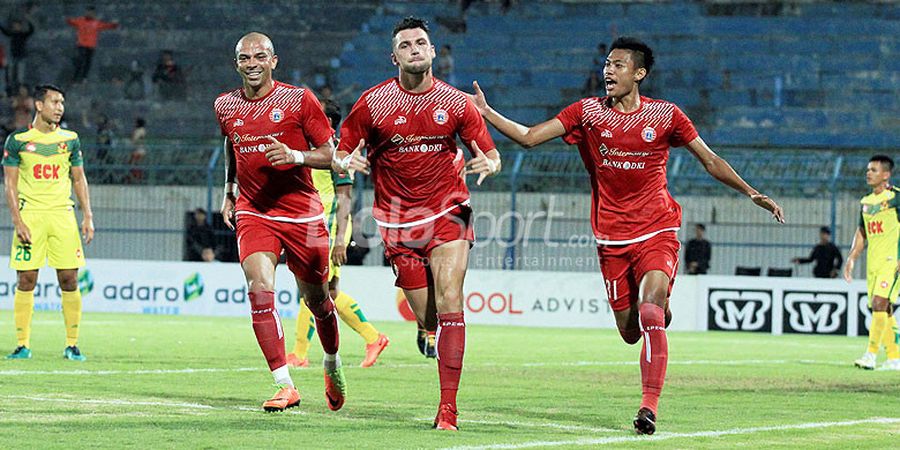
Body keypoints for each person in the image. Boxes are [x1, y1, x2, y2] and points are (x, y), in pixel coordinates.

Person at [467, 36, 784, 434]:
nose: (608, 71)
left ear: (639, 73)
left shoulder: (666, 115)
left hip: (658, 229)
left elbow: (710, 159)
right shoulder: (586, 113)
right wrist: (487, 112)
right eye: (606, 64)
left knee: (650, 307)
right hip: (611, 239)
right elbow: (529, 137)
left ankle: (648, 407)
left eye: (618, 65)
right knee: (631, 331)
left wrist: (751, 191)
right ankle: (658, 310)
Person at [334, 16, 501, 431]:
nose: (414, 49)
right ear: (394, 56)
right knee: (428, 317)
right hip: (396, 222)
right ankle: (426, 331)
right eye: (405, 45)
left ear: (432, 51)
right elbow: (340, 151)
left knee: (450, 302)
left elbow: (490, 153)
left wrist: (490, 162)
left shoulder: (457, 102)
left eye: (420, 43)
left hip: (448, 213)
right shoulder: (372, 103)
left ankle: (448, 410)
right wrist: (346, 160)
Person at [214, 32, 345, 412]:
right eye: (244, 58)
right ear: (236, 63)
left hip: (303, 213)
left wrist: (296, 156)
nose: (252, 63)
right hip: (255, 211)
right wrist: (229, 187)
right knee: (258, 289)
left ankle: (332, 364)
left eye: (260, 56)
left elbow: (331, 155)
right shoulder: (224, 105)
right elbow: (230, 143)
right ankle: (284, 384)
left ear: (274, 60)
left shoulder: (299, 100)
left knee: (319, 301)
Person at [287, 98, 390, 369]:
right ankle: (373, 338)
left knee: (312, 292)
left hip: (329, 227)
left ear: (328, 122)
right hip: (313, 225)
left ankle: (298, 354)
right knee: (328, 293)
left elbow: (345, 198)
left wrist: (340, 239)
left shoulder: (337, 153)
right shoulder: (314, 149)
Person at [2, 84, 95, 361]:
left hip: (62, 215)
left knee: (69, 278)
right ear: (39, 105)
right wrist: (17, 221)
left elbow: (78, 178)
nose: (60, 107)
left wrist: (87, 214)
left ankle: (72, 344)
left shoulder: (71, 139)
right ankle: (22, 344)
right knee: (26, 278)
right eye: (54, 102)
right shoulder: (17, 140)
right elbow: (9, 184)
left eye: (62, 102)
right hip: (30, 214)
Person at [843, 155, 900, 371]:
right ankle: (895, 358)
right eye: (868, 169)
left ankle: (871, 354)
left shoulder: (896, 198)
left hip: (892, 261)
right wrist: (852, 258)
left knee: (879, 303)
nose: (868, 173)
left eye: (874, 170)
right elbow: (862, 233)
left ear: (886, 174)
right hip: (874, 263)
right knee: (884, 309)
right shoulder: (866, 203)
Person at [66, 7, 118, 83]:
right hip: (81, 44)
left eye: (91, 13)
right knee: (80, 60)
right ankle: (76, 76)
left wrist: (114, 25)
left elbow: (106, 26)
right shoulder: (81, 21)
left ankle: (83, 77)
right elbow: (71, 21)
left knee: (87, 62)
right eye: (88, 12)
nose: (89, 14)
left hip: (90, 46)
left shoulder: (96, 23)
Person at [0, 17, 34, 94]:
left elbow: (31, 31)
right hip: (13, 56)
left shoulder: (23, 34)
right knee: (11, 74)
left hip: (21, 56)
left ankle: (19, 88)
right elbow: (5, 32)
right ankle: (11, 88)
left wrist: (28, 20)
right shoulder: (13, 34)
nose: (15, 28)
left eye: (17, 26)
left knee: (19, 75)